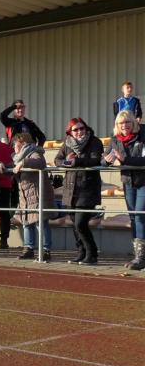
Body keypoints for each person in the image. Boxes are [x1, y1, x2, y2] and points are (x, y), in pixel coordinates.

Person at [54, 118, 103, 265]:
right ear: (70, 132)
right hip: (70, 189)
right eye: (75, 129)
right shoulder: (67, 143)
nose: (80, 131)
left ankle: (92, 253)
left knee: (81, 224)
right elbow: (57, 160)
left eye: (82, 128)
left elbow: (95, 160)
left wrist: (77, 161)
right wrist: (66, 162)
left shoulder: (94, 141)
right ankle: (81, 252)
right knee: (75, 224)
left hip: (88, 188)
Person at [105, 110, 145, 270]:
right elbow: (105, 158)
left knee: (140, 215)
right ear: (117, 125)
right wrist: (107, 160)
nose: (124, 125)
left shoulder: (142, 136)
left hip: (143, 181)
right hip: (128, 181)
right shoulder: (115, 140)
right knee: (134, 217)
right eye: (121, 123)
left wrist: (124, 159)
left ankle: (141, 257)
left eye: (127, 122)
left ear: (133, 123)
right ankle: (138, 254)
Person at [12, 133, 55, 261]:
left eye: (15, 144)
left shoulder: (34, 153)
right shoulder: (17, 157)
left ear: (23, 143)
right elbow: (10, 165)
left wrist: (23, 163)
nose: (14, 146)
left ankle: (46, 251)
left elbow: (40, 163)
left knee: (40, 223)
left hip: (37, 195)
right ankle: (28, 249)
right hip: (25, 196)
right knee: (26, 222)